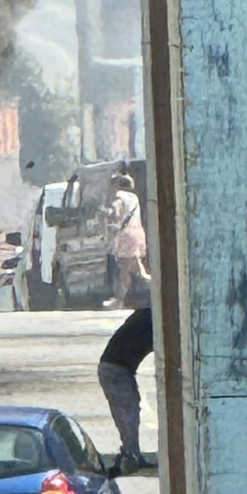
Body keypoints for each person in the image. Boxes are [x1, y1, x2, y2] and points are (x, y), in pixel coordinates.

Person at [98, 307, 154, 472]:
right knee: (128, 413)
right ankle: (130, 455)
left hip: (116, 368)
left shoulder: (143, 315)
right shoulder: (150, 320)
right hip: (116, 369)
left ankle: (133, 453)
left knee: (131, 410)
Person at [104, 173, 148, 309]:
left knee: (125, 267)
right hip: (137, 233)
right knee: (134, 267)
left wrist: (106, 213)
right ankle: (120, 299)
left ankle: (120, 300)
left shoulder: (119, 197)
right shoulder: (134, 198)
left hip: (125, 236)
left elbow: (116, 215)